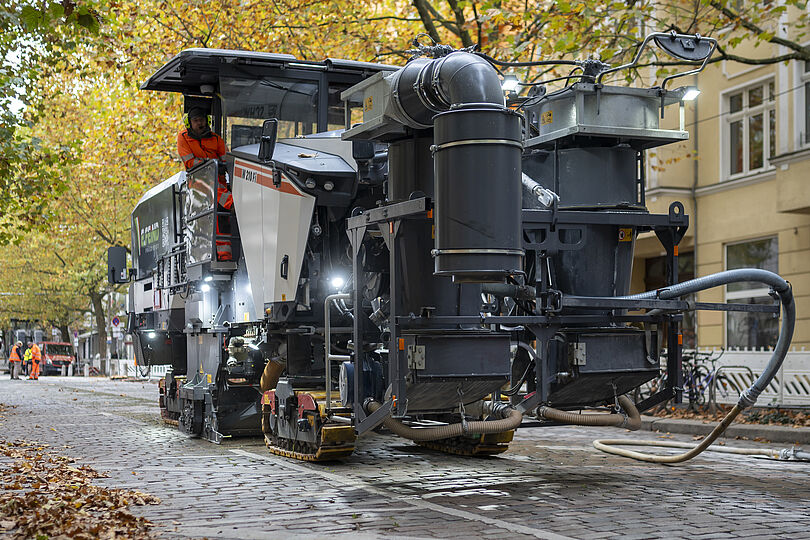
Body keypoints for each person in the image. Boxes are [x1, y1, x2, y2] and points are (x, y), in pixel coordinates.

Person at [177, 107, 233, 261]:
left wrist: (220, 166)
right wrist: (211, 163)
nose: (199, 123)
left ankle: (225, 254)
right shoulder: (183, 138)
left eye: (201, 120)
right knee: (221, 201)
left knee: (221, 216)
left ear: (207, 121)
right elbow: (190, 163)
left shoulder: (216, 139)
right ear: (189, 123)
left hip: (218, 183)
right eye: (195, 121)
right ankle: (232, 203)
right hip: (197, 183)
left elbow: (227, 160)